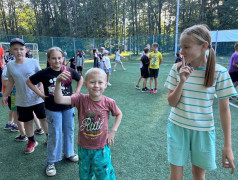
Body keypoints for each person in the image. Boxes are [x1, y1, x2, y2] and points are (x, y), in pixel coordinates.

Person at [164, 24, 236, 180]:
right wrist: (182, 81)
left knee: (199, 175)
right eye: (181, 47)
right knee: (176, 177)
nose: (181, 52)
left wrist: (228, 145)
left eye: (186, 47)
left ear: (204, 46)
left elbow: (224, 110)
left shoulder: (220, 72)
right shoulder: (176, 69)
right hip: (177, 128)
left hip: (203, 132)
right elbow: (171, 102)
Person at [54, 67, 122, 180]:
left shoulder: (109, 102)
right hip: (83, 147)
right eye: (92, 82)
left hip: (101, 148)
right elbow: (59, 99)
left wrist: (113, 131)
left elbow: (119, 114)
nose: (96, 85)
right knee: (85, 174)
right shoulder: (80, 99)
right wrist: (58, 82)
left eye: (100, 82)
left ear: (105, 84)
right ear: (85, 84)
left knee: (104, 175)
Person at [26, 47, 83, 177]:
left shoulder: (68, 70)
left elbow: (80, 79)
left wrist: (77, 92)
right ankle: (51, 161)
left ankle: (69, 153)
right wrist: (40, 94)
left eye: (59, 58)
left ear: (63, 58)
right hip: (52, 108)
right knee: (55, 133)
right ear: (48, 59)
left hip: (68, 107)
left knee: (69, 130)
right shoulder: (45, 73)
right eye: (53, 58)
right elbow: (29, 81)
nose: (57, 61)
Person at [1, 38, 48, 154]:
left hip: (37, 98)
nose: (19, 52)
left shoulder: (33, 62)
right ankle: (32, 141)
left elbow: (41, 77)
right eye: (15, 49)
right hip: (22, 100)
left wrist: (41, 91)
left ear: (26, 50)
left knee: (43, 118)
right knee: (27, 121)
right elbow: (11, 81)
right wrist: (5, 95)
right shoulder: (10, 65)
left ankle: (49, 138)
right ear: (11, 51)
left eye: (21, 49)